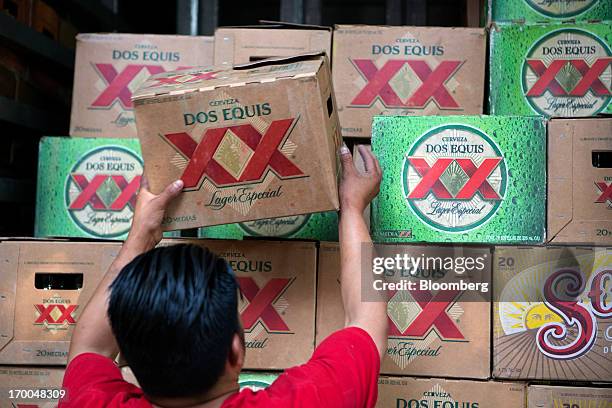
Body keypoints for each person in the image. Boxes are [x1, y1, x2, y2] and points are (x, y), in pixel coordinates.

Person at [60, 144, 387, 408]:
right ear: (234, 351)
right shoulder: (310, 400)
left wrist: (141, 235)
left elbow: (91, 347)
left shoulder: (91, 401)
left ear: (126, 360)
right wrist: (352, 206)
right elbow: (366, 318)